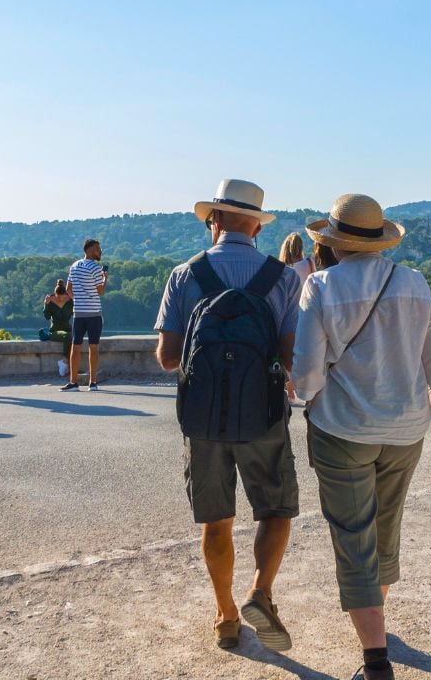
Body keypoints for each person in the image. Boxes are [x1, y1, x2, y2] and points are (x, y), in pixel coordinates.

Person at [291, 193, 431, 680]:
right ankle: (377, 629)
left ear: (331, 241)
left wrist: (304, 390)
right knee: (385, 532)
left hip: (341, 429)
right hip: (408, 429)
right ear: (378, 239)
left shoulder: (320, 287)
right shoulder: (413, 283)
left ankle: (375, 661)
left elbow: (306, 376)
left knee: (354, 539)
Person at [154, 178, 302, 653]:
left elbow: (167, 357)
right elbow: (290, 355)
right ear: (257, 225)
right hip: (263, 413)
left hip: (204, 418)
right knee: (276, 509)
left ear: (213, 221)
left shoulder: (183, 275)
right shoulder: (283, 277)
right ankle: (261, 592)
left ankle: (225, 615)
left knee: (215, 521)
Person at [63, 239, 107, 391]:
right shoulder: (96, 267)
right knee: (93, 347)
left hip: (78, 313)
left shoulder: (74, 266)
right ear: (89, 250)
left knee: (75, 347)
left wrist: (79, 299)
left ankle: (73, 382)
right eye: (97, 249)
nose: (100, 252)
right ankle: (92, 382)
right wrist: (105, 279)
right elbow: (100, 291)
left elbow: (69, 289)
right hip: (94, 313)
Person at [41, 279, 74, 373]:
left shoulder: (70, 301)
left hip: (68, 328)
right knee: (67, 336)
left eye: (62, 297)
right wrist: (46, 305)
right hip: (55, 331)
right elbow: (47, 317)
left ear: (66, 295)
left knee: (74, 340)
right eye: (57, 297)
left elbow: (76, 313)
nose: (60, 299)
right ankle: (65, 361)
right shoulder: (50, 301)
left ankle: (65, 363)